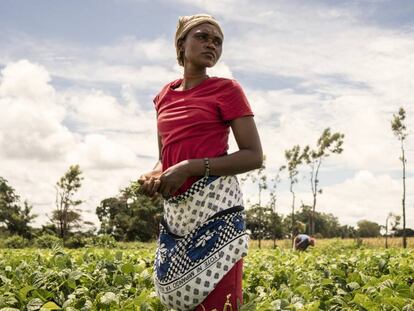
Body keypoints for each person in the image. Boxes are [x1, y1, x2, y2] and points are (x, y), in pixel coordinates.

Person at [138, 13, 263, 311]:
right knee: (178, 299)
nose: (212, 45)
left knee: (220, 301)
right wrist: (154, 174)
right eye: (203, 37)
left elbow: (254, 155)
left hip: (215, 210)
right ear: (181, 45)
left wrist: (192, 167)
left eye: (218, 41)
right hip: (178, 215)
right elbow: (164, 155)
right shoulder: (163, 97)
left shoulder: (227, 90)